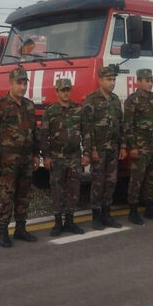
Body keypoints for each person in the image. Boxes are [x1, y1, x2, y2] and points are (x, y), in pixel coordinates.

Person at [0, 67, 40, 247]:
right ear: (10, 83)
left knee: (24, 195)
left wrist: (36, 155)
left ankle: (21, 229)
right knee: (6, 196)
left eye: (24, 83)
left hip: (25, 159)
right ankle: (3, 231)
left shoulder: (29, 106)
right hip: (6, 160)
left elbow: (35, 132)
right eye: (19, 83)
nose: (22, 87)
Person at [81, 66, 126, 230]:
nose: (112, 83)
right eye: (109, 79)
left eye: (113, 79)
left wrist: (122, 146)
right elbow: (87, 129)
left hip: (113, 149)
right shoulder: (91, 100)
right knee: (98, 183)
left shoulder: (115, 100)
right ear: (100, 80)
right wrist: (90, 150)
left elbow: (120, 125)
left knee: (111, 182)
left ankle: (107, 214)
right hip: (98, 150)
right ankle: (96, 216)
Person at [41, 78, 87, 237]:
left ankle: (70, 221)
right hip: (57, 158)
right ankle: (58, 223)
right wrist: (45, 157)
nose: (65, 93)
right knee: (57, 190)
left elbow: (86, 132)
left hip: (74, 157)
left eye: (68, 89)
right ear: (57, 92)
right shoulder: (51, 111)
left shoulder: (78, 110)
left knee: (73, 190)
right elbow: (44, 136)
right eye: (62, 90)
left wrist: (86, 153)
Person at [123, 68, 153, 225]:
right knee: (137, 179)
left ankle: (150, 208)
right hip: (141, 147)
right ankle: (133, 211)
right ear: (138, 82)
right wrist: (132, 147)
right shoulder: (132, 100)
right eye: (147, 81)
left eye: (151, 80)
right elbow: (128, 126)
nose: (150, 83)